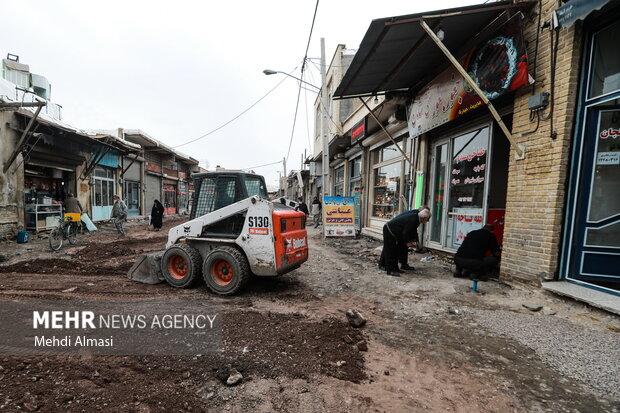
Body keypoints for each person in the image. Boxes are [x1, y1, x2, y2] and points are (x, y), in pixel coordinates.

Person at [379, 208, 431, 277]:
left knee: (396, 250)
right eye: (427, 219)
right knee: (391, 251)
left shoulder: (416, 218)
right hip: (390, 231)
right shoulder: (414, 219)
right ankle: (390, 270)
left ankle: (395, 268)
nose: (427, 221)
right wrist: (407, 243)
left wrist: (414, 241)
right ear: (424, 218)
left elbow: (413, 231)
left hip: (394, 231)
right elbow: (406, 233)